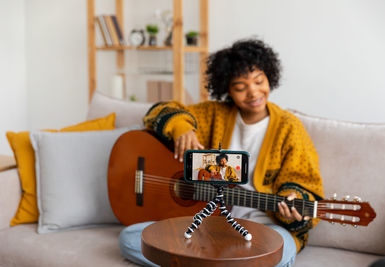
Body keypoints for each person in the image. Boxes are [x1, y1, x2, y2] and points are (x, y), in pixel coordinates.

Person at [119, 38, 324, 267]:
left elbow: (304, 183)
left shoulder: (289, 128)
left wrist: (294, 203)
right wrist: (180, 127)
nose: (253, 92)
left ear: (270, 77)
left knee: (281, 252)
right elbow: (157, 111)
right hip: (209, 225)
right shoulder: (213, 115)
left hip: (264, 229)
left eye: (259, 81)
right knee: (130, 239)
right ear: (227, 88)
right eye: (240, 87)